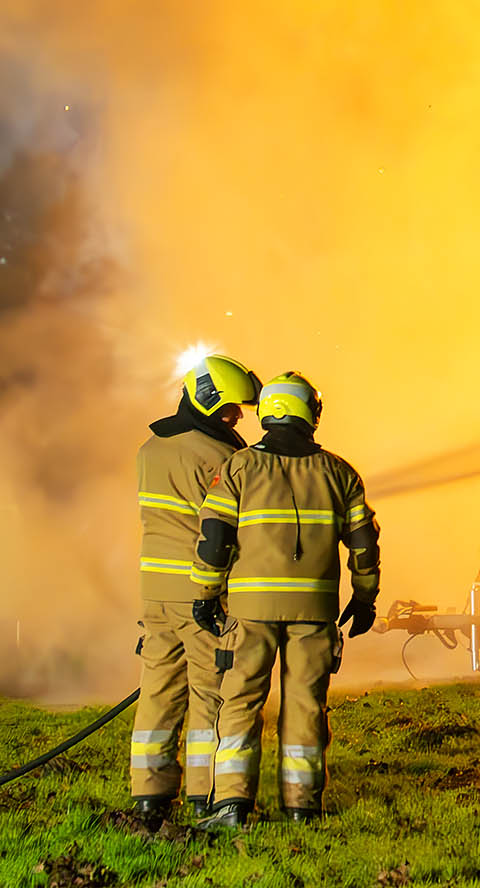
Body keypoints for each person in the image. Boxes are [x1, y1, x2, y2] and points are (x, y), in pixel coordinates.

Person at [191, 371, 380, 827]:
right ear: (310, 413)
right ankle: (302, 807)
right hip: (314, 612)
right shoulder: (340, 473)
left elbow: (214, 539)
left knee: (240, 702)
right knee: (305, 705)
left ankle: (231, 804)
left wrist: (206, 595)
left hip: (250, 613)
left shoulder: (238, 468)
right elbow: (364, 544)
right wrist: (364, 597)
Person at [129, 352, 263, 826]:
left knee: (158, 692)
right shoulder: (221, 457)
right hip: (201, 592)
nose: (238, 416)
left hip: (155, 593)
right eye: (230, 408)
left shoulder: (150, 449)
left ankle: (150, 793)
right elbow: (231, 528)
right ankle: (204, 795)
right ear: (207, 400)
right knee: (213, 692)